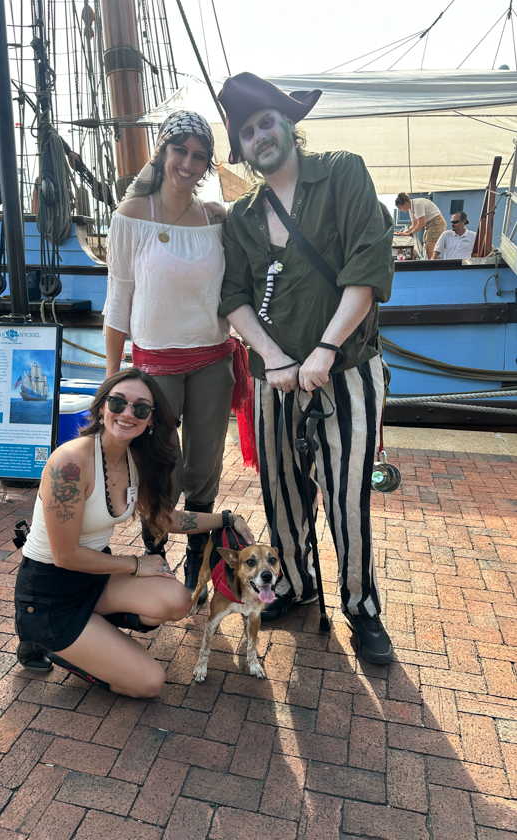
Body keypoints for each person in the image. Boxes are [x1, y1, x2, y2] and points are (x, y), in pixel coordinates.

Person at [217, 72, 394, 665]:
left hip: (346, 373)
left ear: (289, 123)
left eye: (266, 121)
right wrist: (273, 358)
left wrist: (325, 349)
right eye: (247, 132)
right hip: (274, 382)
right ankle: (293, 583)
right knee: (282, 493)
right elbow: (233, 295)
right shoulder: (242, 217)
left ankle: (362, 607)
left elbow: (368, 265)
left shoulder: (342, 173)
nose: (260, 136)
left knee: (347, 499)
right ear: (242, 148)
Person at [14, 367, 254, 698]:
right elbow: (65, 556)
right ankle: (45, 639)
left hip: (93, 578)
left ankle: (90, 631)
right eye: (118, 403)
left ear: (151, 419)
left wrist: (227, 518)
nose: (128, 413)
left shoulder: (135, 460)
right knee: (149, 683)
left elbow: (167, 520)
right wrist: (137, 564)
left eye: (140, 408)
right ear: (101, 407)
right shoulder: (70, 464)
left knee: (178, 601)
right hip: (48, 593)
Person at [104, 110, 236, 603]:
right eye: (180, 150)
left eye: (199, 155)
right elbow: (118, 300)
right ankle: (154, 552)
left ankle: (197, 555)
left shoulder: (216, 219)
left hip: (212, 358)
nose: (188, 163)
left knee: (205, 465)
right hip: (155, 362)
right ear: (162, 152)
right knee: (161, 465)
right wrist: (113, 377)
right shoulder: (132, 214)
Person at [394, 192, 446, 259]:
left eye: (400, 208)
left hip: (436, 223)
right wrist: (403, 233)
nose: (400, 210)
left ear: (405, 203)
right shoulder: (411, 209)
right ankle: (434, 262)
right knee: (428, 251)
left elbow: (421, 223)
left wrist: (410, 234)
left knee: (430, 252)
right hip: (428, 225)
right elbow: (414, 225)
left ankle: (435, 264)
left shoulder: (417, 204)